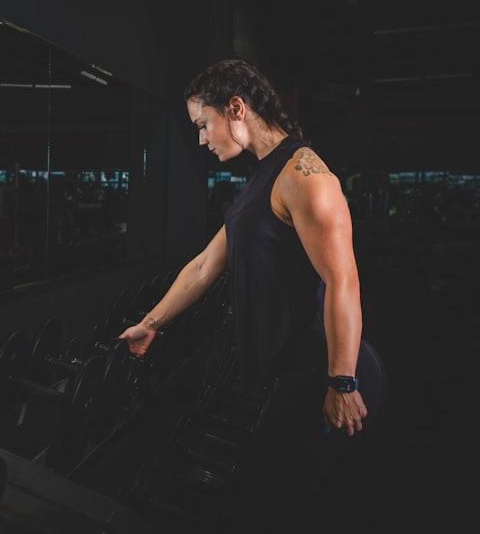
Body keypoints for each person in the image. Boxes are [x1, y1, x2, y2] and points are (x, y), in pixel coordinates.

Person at [117, 59, 370, 532]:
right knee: (295, 498)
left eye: (202, 124)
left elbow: (345, 282)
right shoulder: (261, 180)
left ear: (236, 108)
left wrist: (343, 382)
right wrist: (150, 323)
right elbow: (205, 265)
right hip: (293, 366)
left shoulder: (306, 176)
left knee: (270, 500)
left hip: (325, 369)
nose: (200, 139)